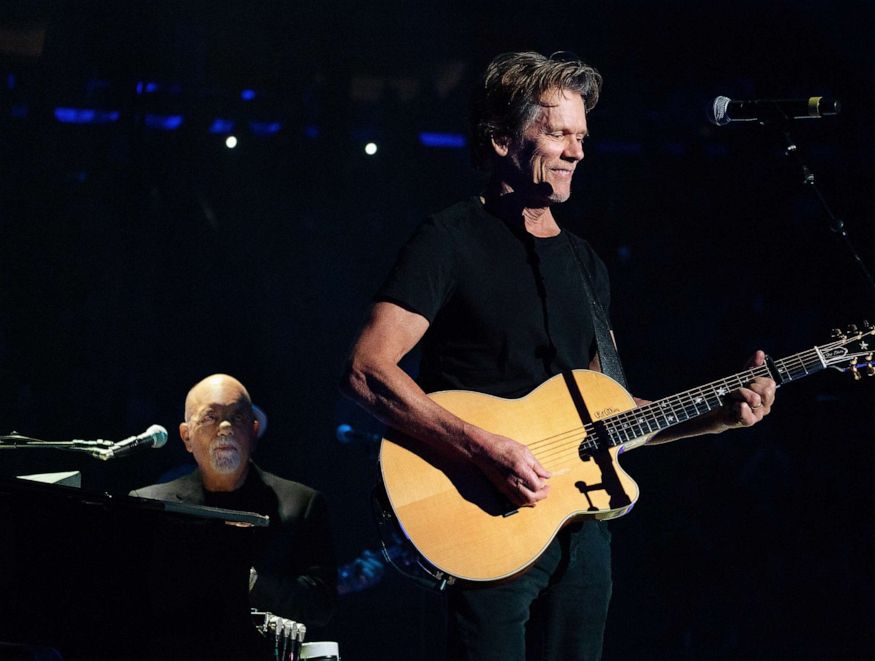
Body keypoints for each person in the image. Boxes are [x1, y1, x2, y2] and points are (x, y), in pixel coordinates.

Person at [341, 51, 776, 660]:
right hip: (484, 520)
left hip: (581, 535)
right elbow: (367, 369)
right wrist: (483, 448)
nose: (577, 152)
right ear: (500, 139)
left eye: (582, 136)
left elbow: (613, 418)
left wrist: (720, 415)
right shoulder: (448, 239)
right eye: (559, 134)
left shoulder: (585, 264)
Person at [130, 374, 336, 628]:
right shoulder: (148, 504)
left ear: (253, 430)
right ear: (186, 437)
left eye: (237, 417)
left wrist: (246, 579)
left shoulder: (302, 504)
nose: (225, 427)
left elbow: (320, 606)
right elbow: (128, 600)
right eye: (210, 417)